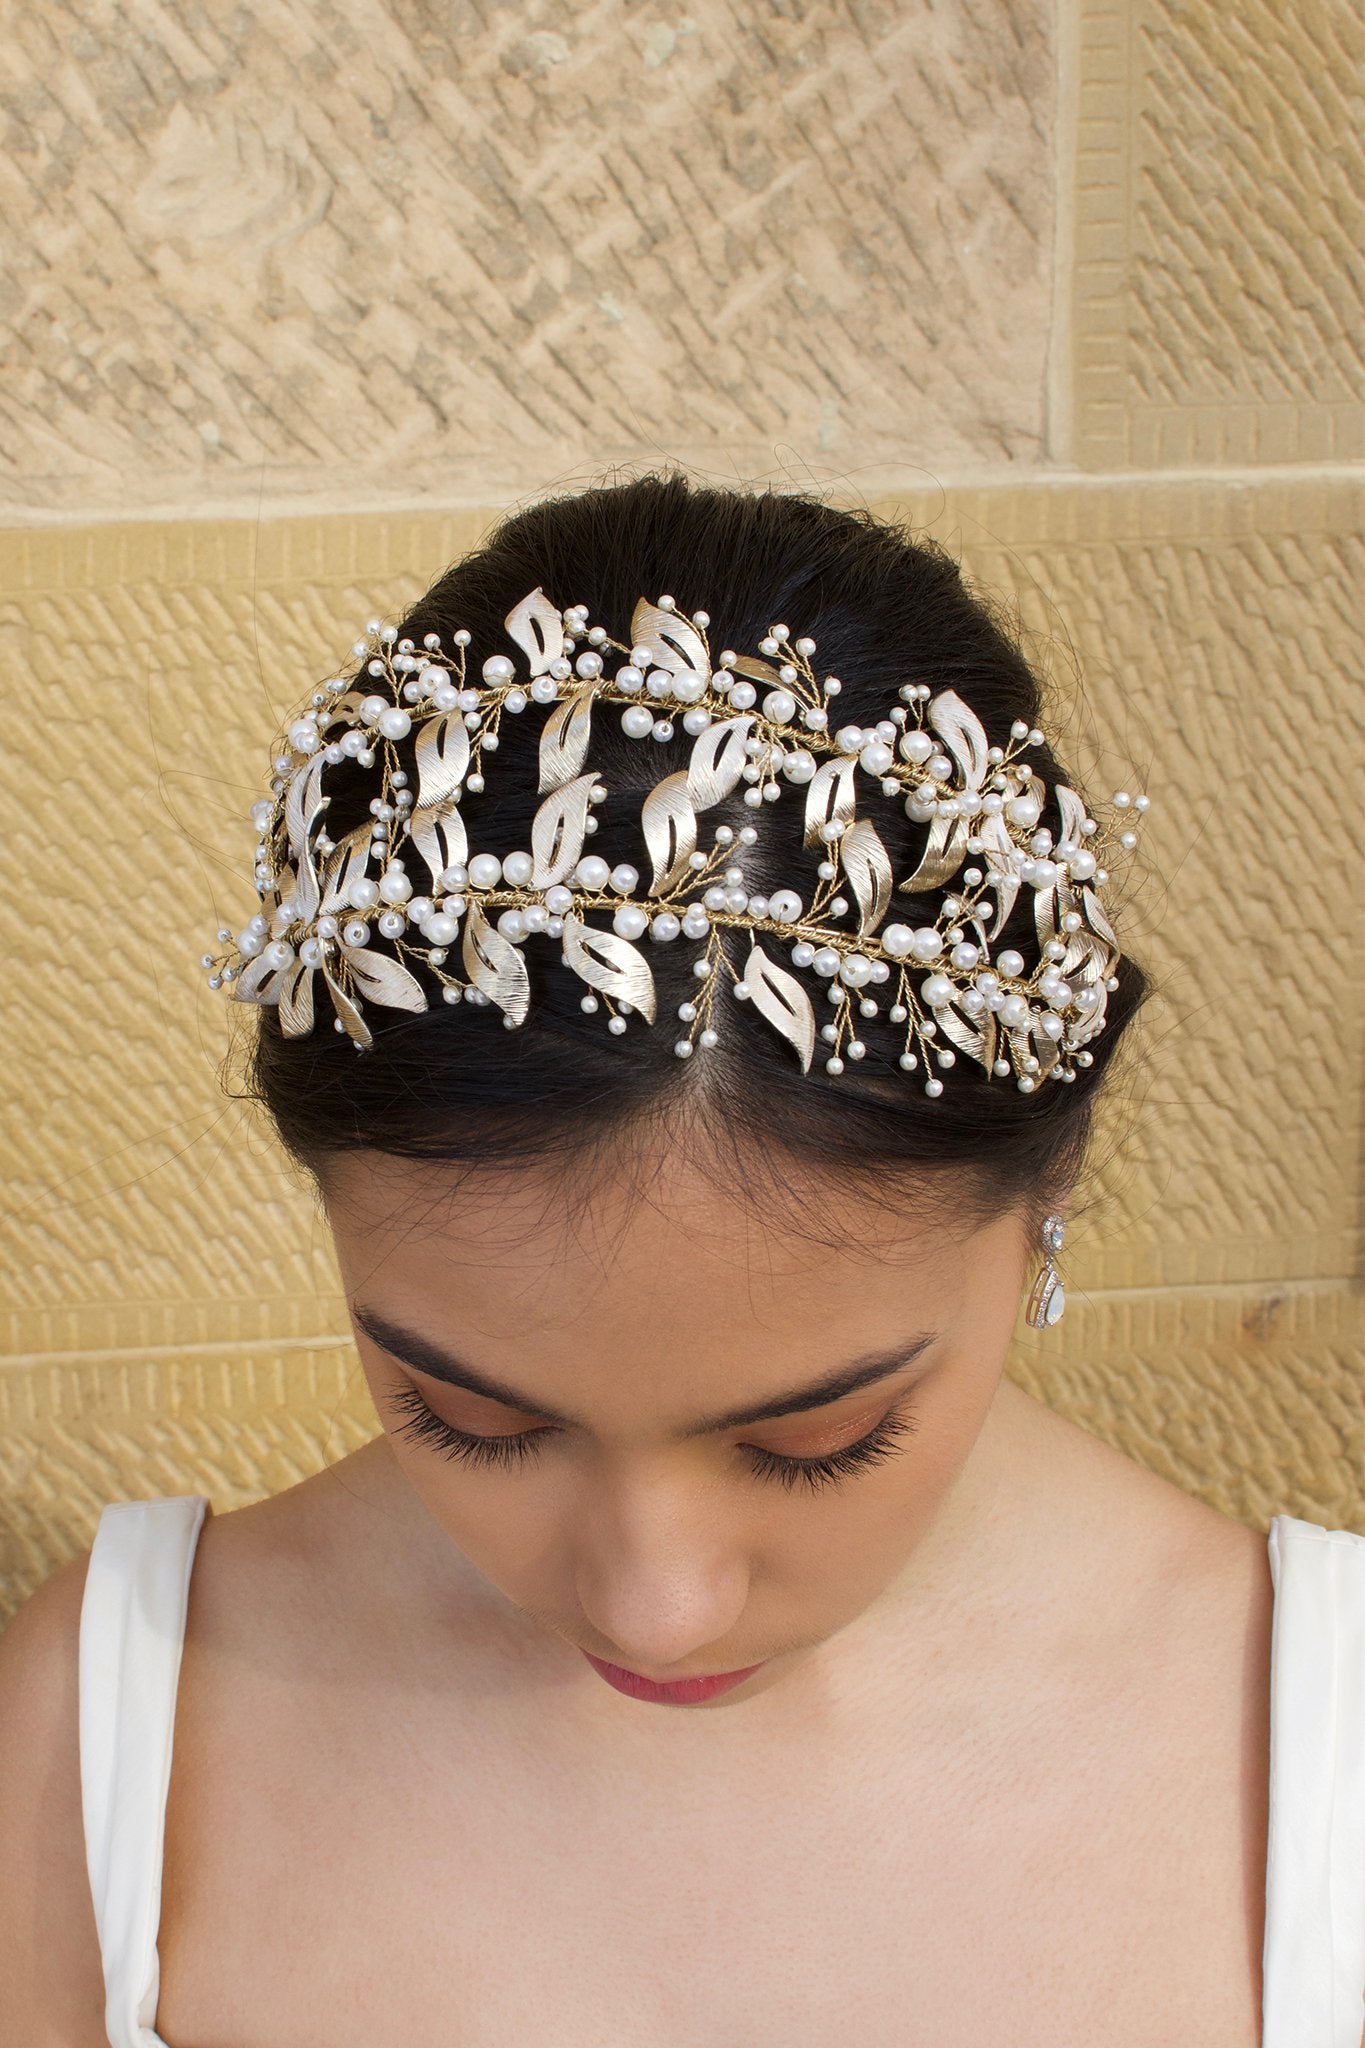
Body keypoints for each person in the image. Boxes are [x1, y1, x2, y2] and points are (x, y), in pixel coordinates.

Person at [1, 473, 1360, 2048]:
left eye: (813, 1440)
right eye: (471, 1417)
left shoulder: (1311, 1767)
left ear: (1044, 1181)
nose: (653, 1607)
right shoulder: (108, 1741)